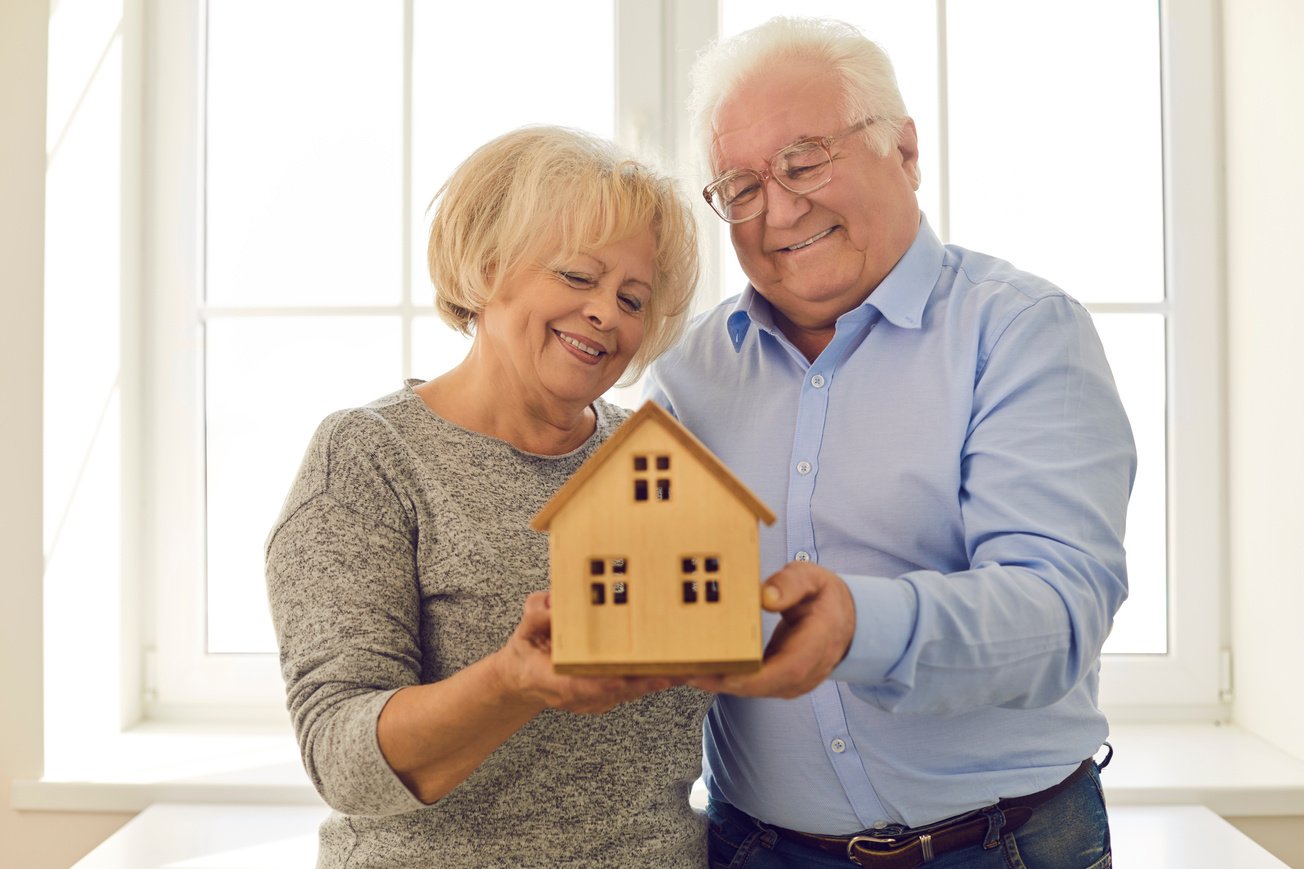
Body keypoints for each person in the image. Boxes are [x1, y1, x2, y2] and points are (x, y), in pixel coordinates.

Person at [646, 17, 1136, 868]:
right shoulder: (686, 375)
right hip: (755, 846)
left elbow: (1059, 612)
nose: (780, 209)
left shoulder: (1020, 332)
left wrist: (856, 626)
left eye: (804, 162)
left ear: (903, 151)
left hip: (1002, 846)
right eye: (741, 186)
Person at [266, 126, 708, 867]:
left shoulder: (657, 460)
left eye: (633, 297)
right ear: (486, 265)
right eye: (576, 276)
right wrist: (511, 681)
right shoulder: (371, 457)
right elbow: (341, 758)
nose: (608, 313)